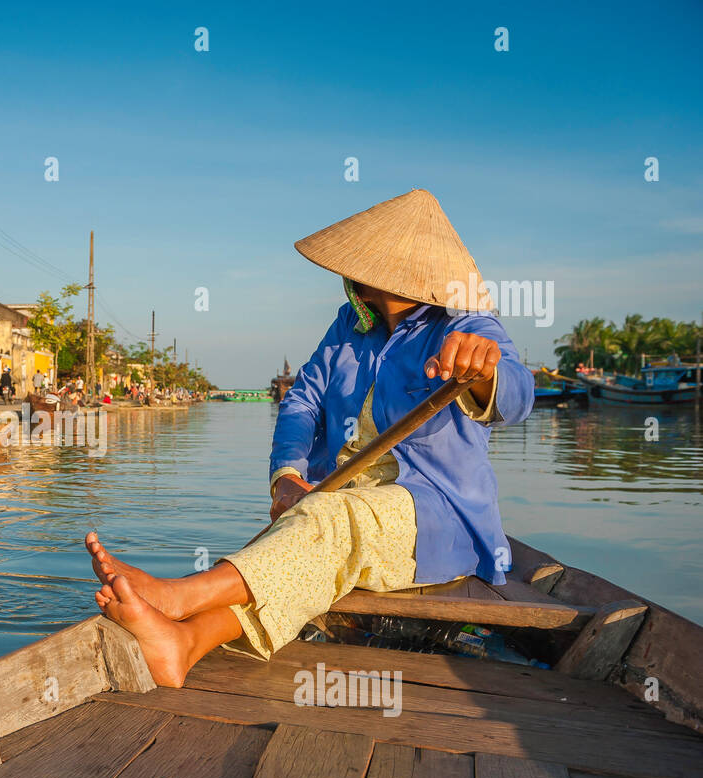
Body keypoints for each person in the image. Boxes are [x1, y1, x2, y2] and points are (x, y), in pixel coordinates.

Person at [85, 188, 533, 688]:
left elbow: (517, 396)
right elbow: (302, 401)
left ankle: (180, 596)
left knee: (324, 520)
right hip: (336, 506)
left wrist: (485, 368)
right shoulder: (348, 326)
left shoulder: (466, 324)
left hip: (436, 521)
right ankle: (183, 643)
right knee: (309, 539)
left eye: (356, 272)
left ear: (380, 275)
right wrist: (287, 477)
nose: (348, 281)